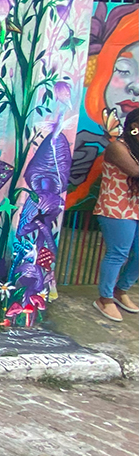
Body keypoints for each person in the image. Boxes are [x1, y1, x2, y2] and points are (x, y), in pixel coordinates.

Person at [93, 108, 139, 321]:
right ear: (134, 126)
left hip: (135, 207)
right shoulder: (117, 147)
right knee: (118, 253)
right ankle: (105, 298)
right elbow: (136, 172)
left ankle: (121, 290)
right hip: (116, 207)